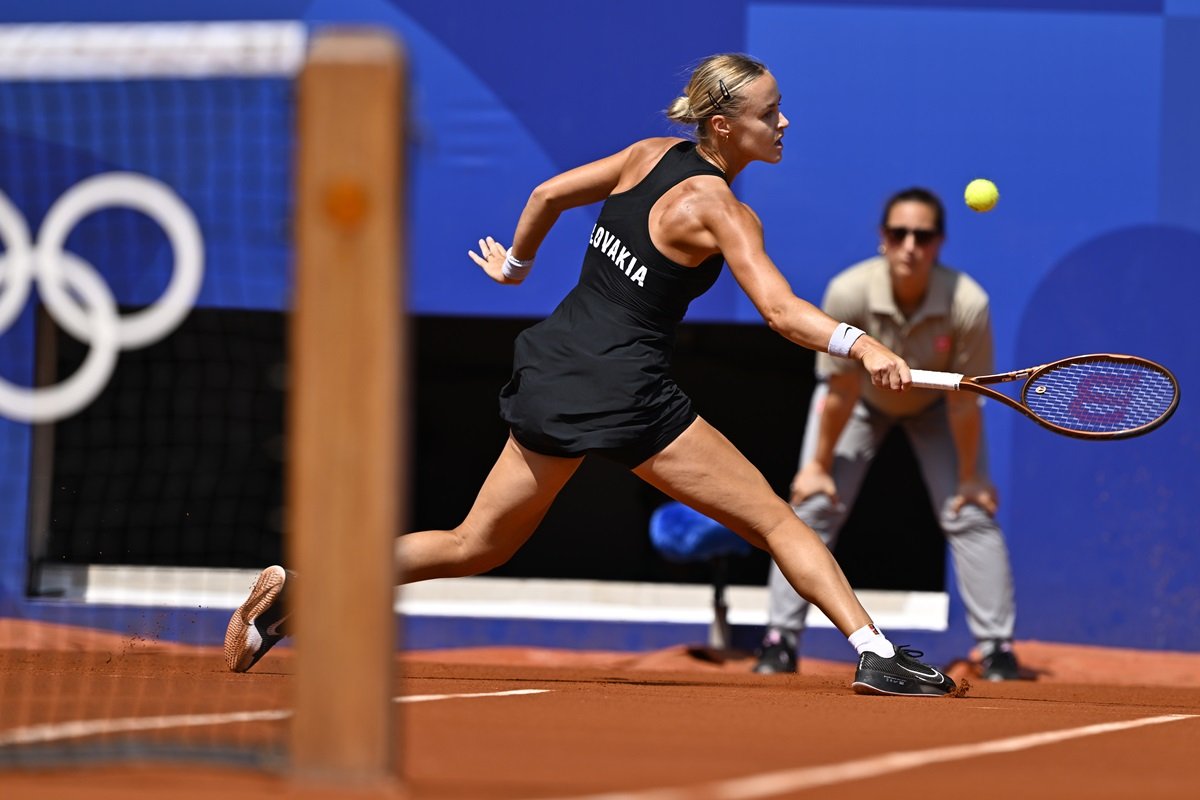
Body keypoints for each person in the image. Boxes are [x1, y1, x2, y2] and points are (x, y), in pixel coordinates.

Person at [225, 54, 957, 697]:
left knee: (476, 543)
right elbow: (780, 311)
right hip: (626, 391)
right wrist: (864, 346)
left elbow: (547, 194)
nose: (783, 123)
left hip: (556, 368)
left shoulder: (646, 155)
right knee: (775, 520)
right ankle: (875, 653)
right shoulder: (723, 211)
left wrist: (516, 267)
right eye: (769, 113)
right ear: (725, 125)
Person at [752, 187, 1020, 682]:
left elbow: (964, 402)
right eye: (899, 234)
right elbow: (838, 389)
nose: (910, 246)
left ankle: (997, 649)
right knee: (812, 504)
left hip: (934, 409)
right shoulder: (849, 291)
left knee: (970, 511)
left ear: (939, 242)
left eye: (923, 235)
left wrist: (970, 478)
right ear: (883, 238)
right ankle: (779, 638)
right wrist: (817, 467)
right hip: (859, 402)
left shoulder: (968, 302)